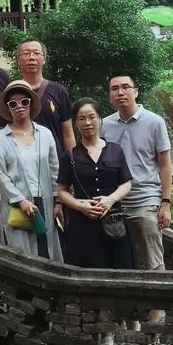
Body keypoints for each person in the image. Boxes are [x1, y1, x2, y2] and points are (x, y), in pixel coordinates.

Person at [101, 72, 172, 272]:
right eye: (115, 88)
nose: (120, 92)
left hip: (145, 199)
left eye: (125, 87)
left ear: (136, 92)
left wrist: (166, 203)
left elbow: (165, 164)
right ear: (110, 95)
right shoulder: (104, 125)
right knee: (120, 260)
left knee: (153, 258)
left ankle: (160, 293)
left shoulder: (154, 122)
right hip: (113, 202)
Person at [57, 98, 134, 269]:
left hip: (113, 222)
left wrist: (110, 200)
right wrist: (80, 206)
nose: (87, 122)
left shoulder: (115, 150)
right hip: (81, 225)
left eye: (91, 117)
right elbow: (62, 190)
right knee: (85, 270)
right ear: (75, 123)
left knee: (119, 269)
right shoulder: (70, 156)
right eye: (81, 118)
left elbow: (126, 183)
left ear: (100, 119)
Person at [0, 80, 63, 262]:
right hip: (16, 204)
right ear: (8, 108)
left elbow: (55, 170)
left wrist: (58, 201)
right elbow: (0, 176)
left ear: (31, 103)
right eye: (13, 103)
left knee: (47, 253)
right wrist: (20, 201)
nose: (19, 106)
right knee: (21, 256)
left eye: (24, 101)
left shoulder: (45, 134)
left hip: (45, 202)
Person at [15, 37, 73, 151]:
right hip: (22, 157)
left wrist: (71, 159)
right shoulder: (12, 92)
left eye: (36, 53)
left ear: (44, 59)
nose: (31, 57)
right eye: (26, 53)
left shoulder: (58, 90)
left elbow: (68, 133)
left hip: (55, 158)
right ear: (18, 61)